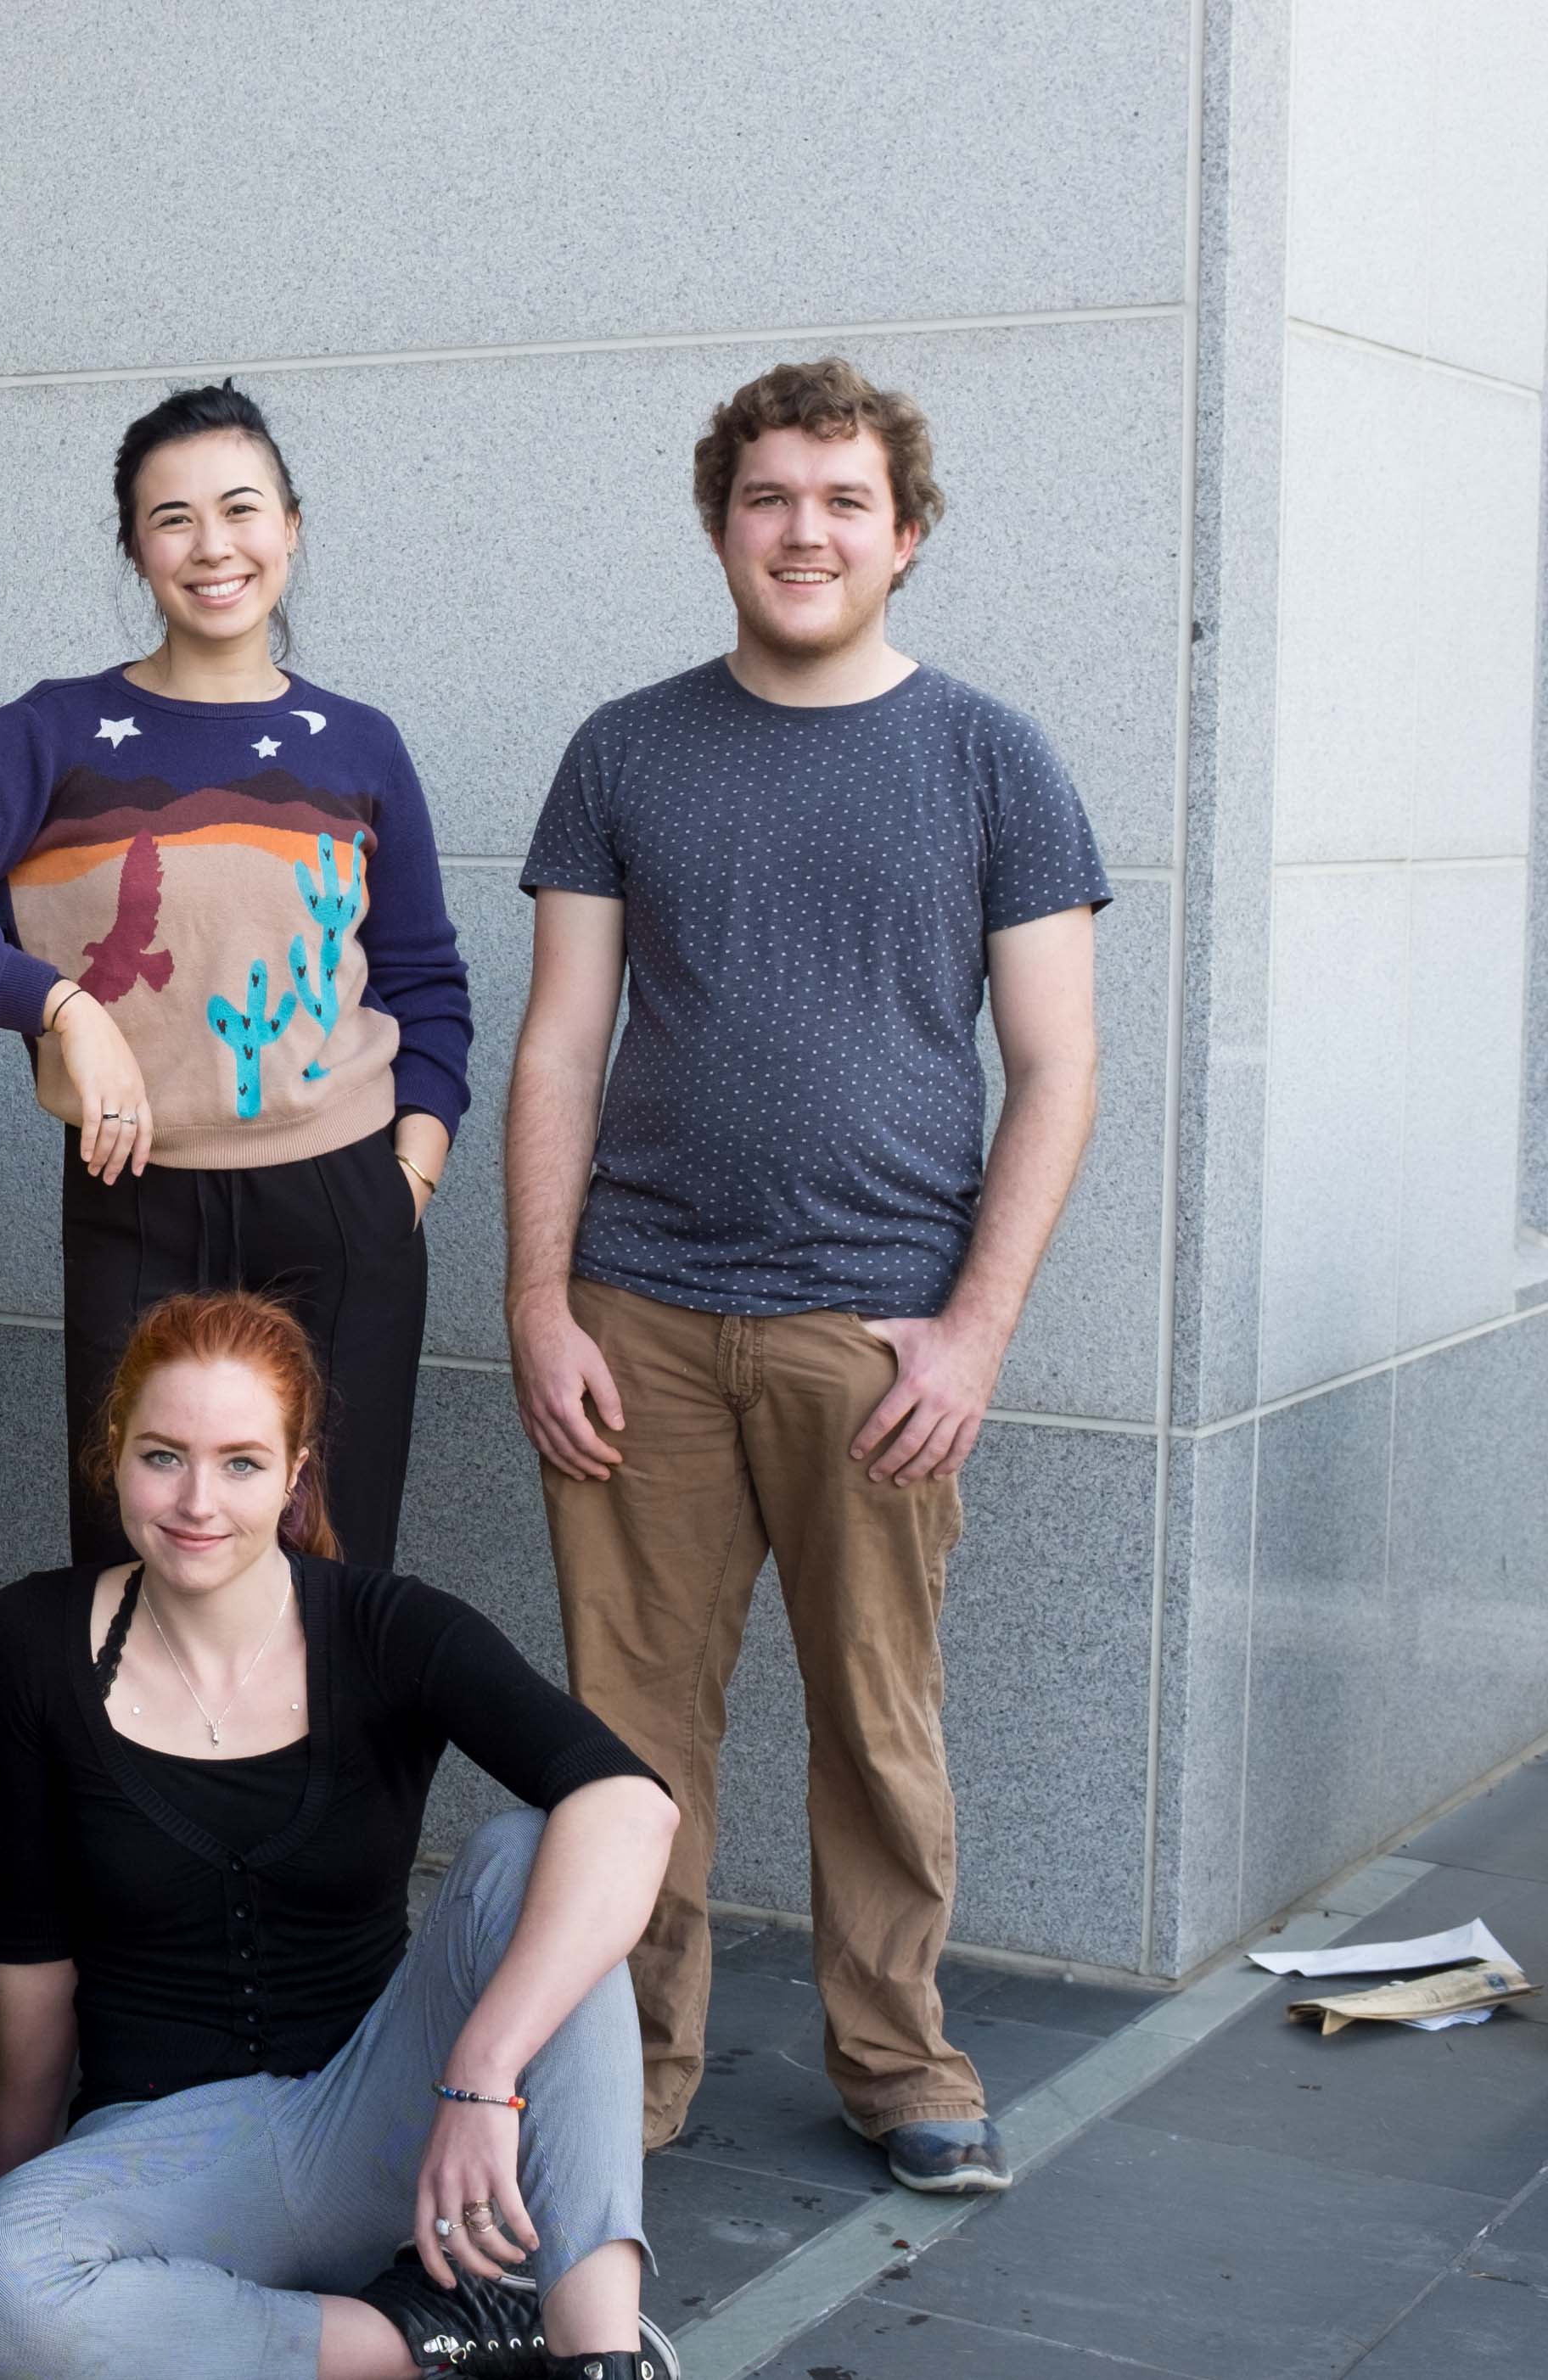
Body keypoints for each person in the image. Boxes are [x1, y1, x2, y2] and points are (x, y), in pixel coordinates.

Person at [502, 358, 1106, 2197]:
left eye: (843, 500)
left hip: (877, 1331)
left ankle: (897, 2057)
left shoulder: (991, 757)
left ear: (902, 535)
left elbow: (1058, 1065)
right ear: (718, 525)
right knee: (629, 1726)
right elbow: (555, 1049)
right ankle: (637, 2062)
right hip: (639, 1320)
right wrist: (538, 1301)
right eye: (769, 497)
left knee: (876, 1716)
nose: (803, 530)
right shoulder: (625, 746)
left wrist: (974, 1330)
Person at [0, 1292, 681, 2380]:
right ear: (113, 1456)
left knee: (540, 1852)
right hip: (171, 2147)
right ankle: (436, 2338)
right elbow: (33, 1943)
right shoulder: (30, 1638)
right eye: (163, 1457)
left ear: (294, 1473)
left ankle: (598, 2355)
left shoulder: (384, 1627)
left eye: (241, 1463)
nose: (198, 1501)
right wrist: (16, 2177)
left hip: (384, 2122)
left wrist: (482, 2071)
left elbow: (633, 1804)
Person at [0, 382, 470, 1571]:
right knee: (136, 1562)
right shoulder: (58, 731)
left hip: (343, 1202)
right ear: (135, 548)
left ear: (291, 525)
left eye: (241, 508)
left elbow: (427, 979)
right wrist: (62, 1007)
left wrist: (411, 1174)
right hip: (136, 1201)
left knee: (332, 1568)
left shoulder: (360, 743)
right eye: (172, 518)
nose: (212, 545)